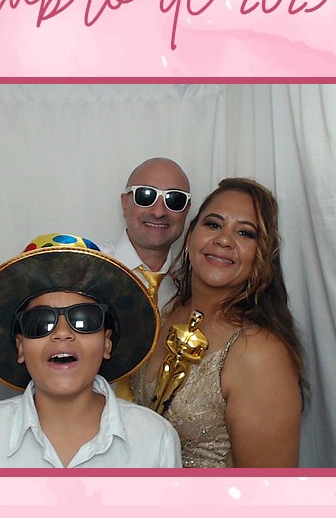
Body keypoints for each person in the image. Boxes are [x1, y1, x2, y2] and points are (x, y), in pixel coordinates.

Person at [0, 233, 180, 469]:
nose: (62, 333)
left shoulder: (154, 439)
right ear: (21, 346)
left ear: (106, 343)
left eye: (84, 319)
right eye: (41, 322)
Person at [130, 178, 306, 468]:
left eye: (245, 232)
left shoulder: (260, 353)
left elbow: (269, 488)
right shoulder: (167, 312)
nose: (224, 240)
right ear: (190, 236)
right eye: (213, 224)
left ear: (261, 254)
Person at [112, 156, 192, 306]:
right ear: (125, 204)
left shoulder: (192, 286)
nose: (159, 212)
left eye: (174, 200)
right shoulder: (87, 269)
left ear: (187, 210)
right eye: (146, 196)